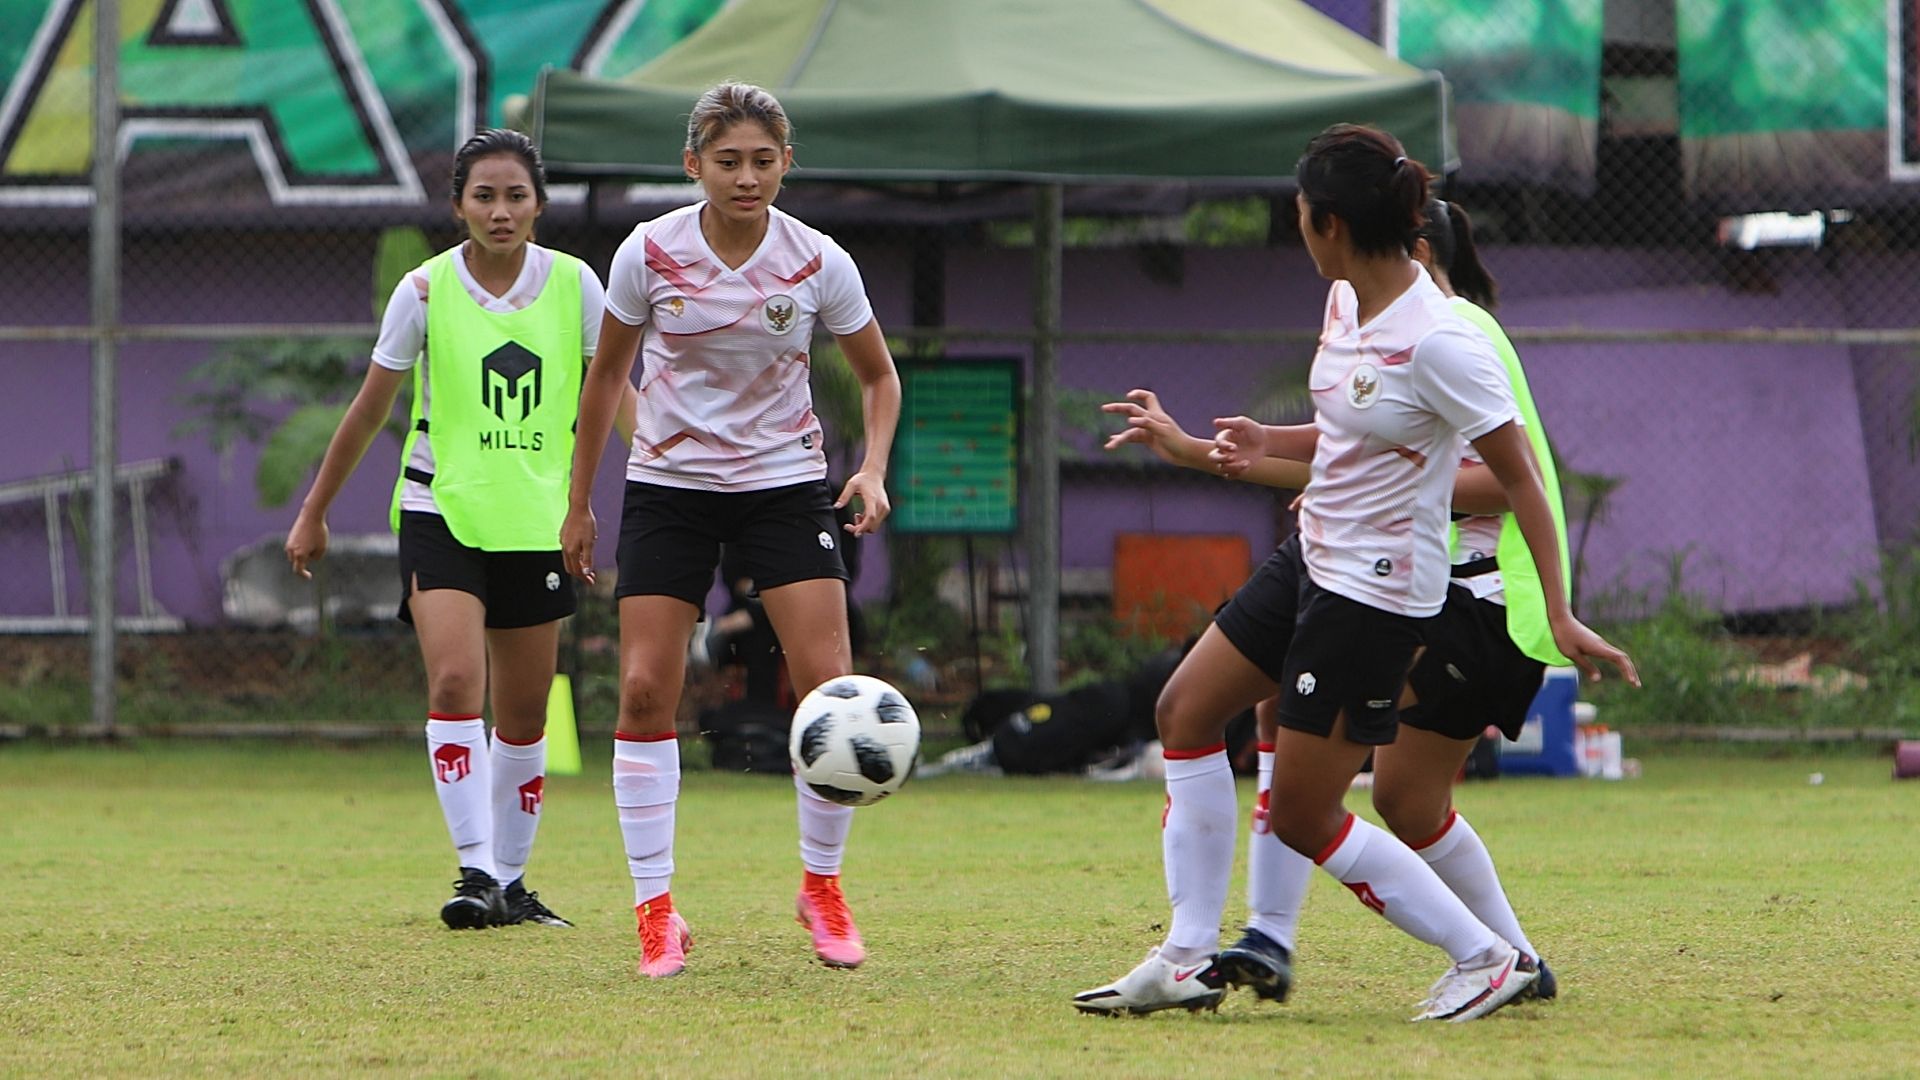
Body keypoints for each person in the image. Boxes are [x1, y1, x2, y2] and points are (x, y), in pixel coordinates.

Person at [1072, 125, 1635, 1022]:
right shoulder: (1343, 304)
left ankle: (1489, 956)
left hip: (1374, 595)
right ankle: (1185, 956)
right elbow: (1349, 433)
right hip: (1311, 560)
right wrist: (1255, 442)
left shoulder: (1444, 341)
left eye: (1297, 212)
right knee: (1184, 709)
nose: (1295, 226)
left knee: (1302, 813)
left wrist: (1559, 613)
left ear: (1327, 223)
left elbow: (1524, 478)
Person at [559, 82, 901, 979]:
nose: (746, 177)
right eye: (727, 161)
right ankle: (656, 911)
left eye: (762, 160)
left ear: (787, 163)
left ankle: (821, 888)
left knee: (827, 684)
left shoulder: (820, 261)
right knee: (642, 692)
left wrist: (868, 465)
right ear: (692, 165)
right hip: (668, 484)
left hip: (785, 485)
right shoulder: (649, 251)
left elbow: (878, 378)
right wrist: (579, 501)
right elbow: (604, 384)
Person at [286, 129, 633, 930]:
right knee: (452, 685)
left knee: (523, 716)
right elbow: (371, 406)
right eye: (484, 196)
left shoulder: (577, 286)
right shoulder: (424, 291)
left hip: (536, 518)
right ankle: (474, 870)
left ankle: (511, 882)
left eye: (516, 195)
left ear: (538, 204)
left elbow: (612, 390)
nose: (501, 210)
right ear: (458, 207)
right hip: (439, 509)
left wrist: (657, 469)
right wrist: (314, 509)